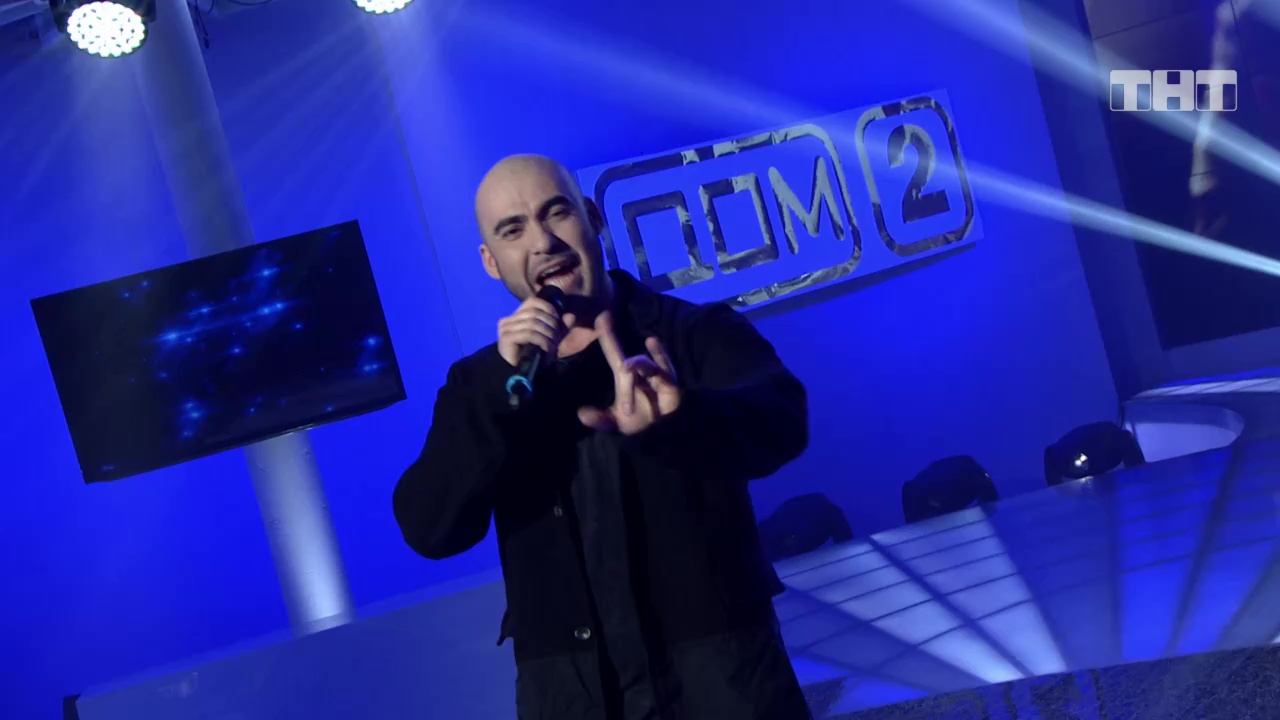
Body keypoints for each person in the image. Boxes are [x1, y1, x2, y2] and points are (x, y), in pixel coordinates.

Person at [393, 154, 813, 720]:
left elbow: (782, 421)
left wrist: (682, 419)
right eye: (512, 230)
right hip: (572, 694)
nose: (543, 242)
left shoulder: (692, 331)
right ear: (491, 262)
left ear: (593, 217)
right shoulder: (482, 384)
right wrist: (496, 396)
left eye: (556, 213)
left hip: (722, 679)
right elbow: (430, 528)